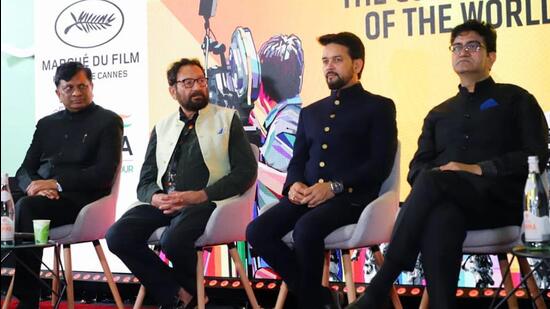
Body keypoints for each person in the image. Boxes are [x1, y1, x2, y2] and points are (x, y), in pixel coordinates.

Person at [347, 20, 549, 309]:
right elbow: (417, 168)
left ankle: (380, 286)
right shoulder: (439, 113)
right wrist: (440, 178)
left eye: (473, 46)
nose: (463, 51)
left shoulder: (517, 99)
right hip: (455, 205)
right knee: (442, 215)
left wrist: (479, 169)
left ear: (491, 56)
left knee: (432, 182)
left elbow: (537, 155)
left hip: (501, 203)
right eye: (457, 47)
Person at [246, 32, 398, 309]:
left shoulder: (378, 107)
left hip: (353, 199)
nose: (329, 66)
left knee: (306, 229)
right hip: (308, 197)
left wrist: (335, 186)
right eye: (325, 61)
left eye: (337, 60)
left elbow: (379, 164)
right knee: (257, 231)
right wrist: (293, 184)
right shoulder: (311, 112)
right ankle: (319, 299)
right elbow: (297, 160)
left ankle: (312, 301)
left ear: (358, 64)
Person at [106, 58, 257, 308]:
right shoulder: (162, 127)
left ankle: (185, 298)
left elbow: (245, 173)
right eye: (188, 82)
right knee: (118, 235)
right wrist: (155, 196)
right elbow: (145, 180)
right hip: (166, 203)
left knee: (174, 241)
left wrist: (200, 196)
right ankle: (182, 295)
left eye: (201, 81)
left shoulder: (227, 119)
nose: (197, 87)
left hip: (208, 203)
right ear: (173, 90)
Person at [12, 61, 123, 308]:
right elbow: (24, 168)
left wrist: (56, 184)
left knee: (27, 208)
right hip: (42, 196)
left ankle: (27, 299)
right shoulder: (46, 124)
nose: (76, 93)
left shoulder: (108, 121)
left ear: (92, 87)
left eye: (82, 86)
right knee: (19, 199)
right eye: (69, 87)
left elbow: (103, 174)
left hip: (83, 201)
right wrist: (34, 185)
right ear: (58, 92)